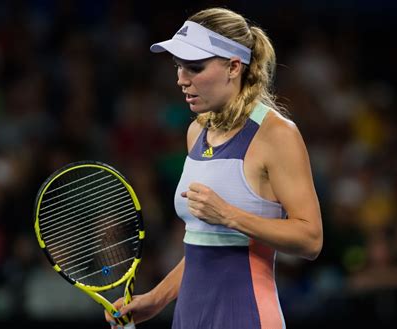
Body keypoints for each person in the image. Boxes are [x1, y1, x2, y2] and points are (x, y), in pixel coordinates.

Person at [105, 7, 323, 329]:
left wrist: (229, 215)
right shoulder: (196, 132)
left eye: (194, 67)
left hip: (247, 317)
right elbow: (203, 247)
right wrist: (156, 299)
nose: (181, 79)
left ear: (234, 66)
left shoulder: (277, 135)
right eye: (179, 67)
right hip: (189, 318)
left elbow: (311, 238)